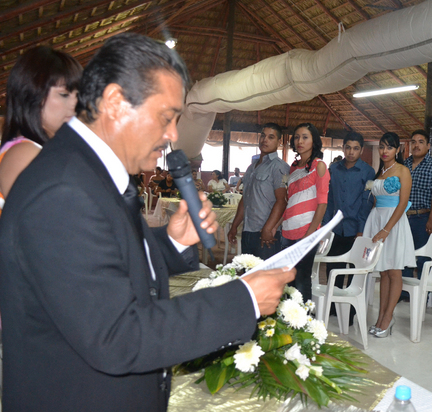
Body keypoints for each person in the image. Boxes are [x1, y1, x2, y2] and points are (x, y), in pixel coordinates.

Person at [0, 33, 295, 411]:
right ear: (114, 103)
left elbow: (103, 257)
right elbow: (116, 335)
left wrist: (171, 241)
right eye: (166, 117)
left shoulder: (86, 171)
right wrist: (243, 300)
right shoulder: (62, 188)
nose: (172, 135)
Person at [0, 46, 82, 216]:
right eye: (64, 94)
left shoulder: (44, 151)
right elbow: (49, 221)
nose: (76, 104)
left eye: (79, 95)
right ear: (31, 95)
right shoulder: (23, 153)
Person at [364, 132, 416, 338]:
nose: (385, 151)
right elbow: (376, 201)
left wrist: (386, 229)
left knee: (394, 272)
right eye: (382, 147)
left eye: (389, 147)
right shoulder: (380, 171)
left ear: (398, 150)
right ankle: (381, 316)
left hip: (394, 223)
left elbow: (403, 203)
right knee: (383, 272)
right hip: (377, 219)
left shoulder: (403, 170)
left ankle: (388, 317)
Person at [322, 132, 375, 325]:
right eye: (348, 148)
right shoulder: (334, 169)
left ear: (361, 150)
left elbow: (366, 202)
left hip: (355, 228)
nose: (351, 152)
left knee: (353, 270)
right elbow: (329, 199)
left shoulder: (367, 171)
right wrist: (326, 226)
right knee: (332, 268)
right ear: (343, 148)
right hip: (336, 228)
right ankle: (332, 307)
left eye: (355, 148)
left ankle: (351, 312)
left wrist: (361, 229)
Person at [281, 123, 330, 301]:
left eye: (305, 137)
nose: (300, 141)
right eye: (296, 137)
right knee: (288, 280)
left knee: (302, 279)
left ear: (314, 141)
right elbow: (290, 200)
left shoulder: (319, 166)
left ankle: (304, 318)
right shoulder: (294, 167)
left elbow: (322, 204)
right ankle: (288, 316)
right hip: (287, 231)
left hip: (306, 231)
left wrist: (309, 235)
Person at [228, 123, 289, 260]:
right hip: (248, 230)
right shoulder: (252, 168)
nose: (265, 140)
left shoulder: (279, 167)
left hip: (266, 233)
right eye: (263, 136)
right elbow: (245, 199)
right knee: (248, 271)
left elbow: (282, 201)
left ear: (279, 142)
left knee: (264, 272)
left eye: (271, 137)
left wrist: (268, 229)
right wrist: (234, 226)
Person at [404, 130, 432, 291]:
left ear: (428, 146)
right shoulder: (404, 164)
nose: (416, 145)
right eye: (413, 142)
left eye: (421, 142)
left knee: (423, 258)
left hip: (423, 217)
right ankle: (405, 293)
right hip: (404, 217)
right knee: (405, 256)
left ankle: (424, 294)